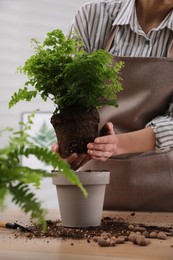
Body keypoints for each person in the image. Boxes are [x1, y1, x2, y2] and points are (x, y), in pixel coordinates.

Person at [52, 0, 173, 211]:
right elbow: (72, 97)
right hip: (92, 187)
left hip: (165, 197)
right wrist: (68, 146)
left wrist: (116, 145)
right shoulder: (93, 16)